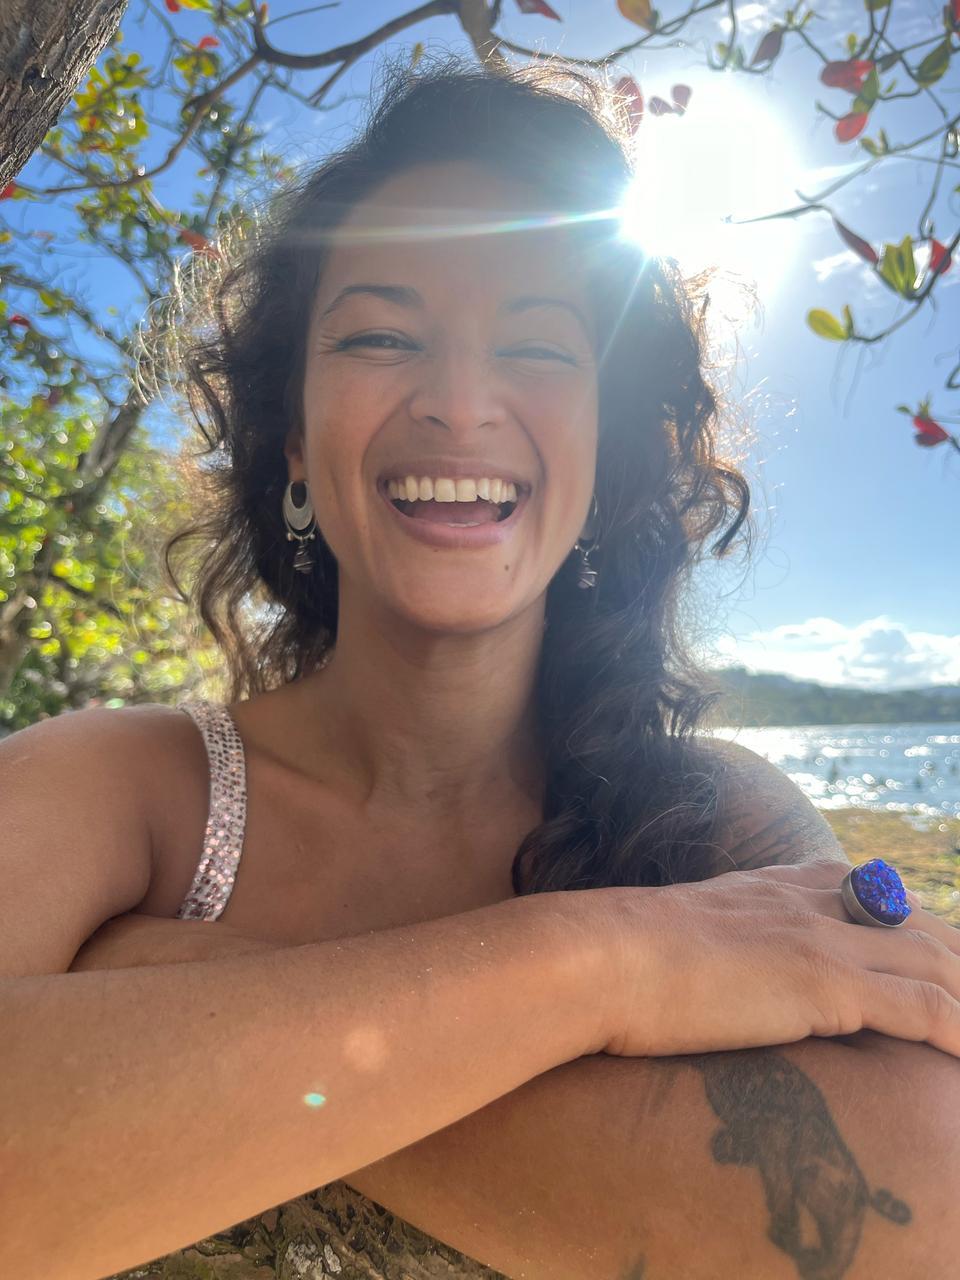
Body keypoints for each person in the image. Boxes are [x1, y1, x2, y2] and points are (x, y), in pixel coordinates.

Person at [2, 55, 959, 1280]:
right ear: (292, 438)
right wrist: (620, 960)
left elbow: (927, 1193)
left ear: (604, 448)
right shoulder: (132, 790)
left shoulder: (706, 817)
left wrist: (159, 982)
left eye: (540, 346)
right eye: (381, 334)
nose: (459, 403)